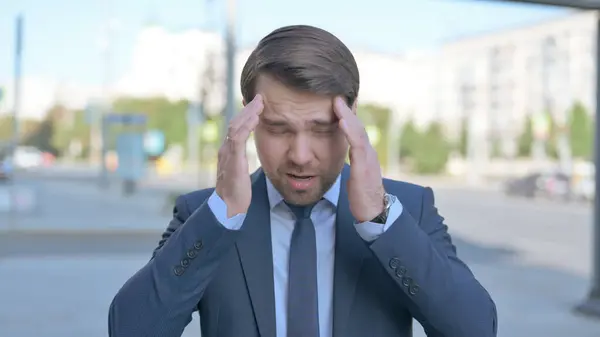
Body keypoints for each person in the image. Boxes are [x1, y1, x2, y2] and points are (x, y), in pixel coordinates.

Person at [108, 25, 498, 337]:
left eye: (322, 129)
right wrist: (220, 217)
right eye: (278, 129)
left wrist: (380, 220)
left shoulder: (406, 210)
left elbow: (476, 329)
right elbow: (129, 329)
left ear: (352, 118)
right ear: (249, 120)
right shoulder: (204, 215)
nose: (300, 154)